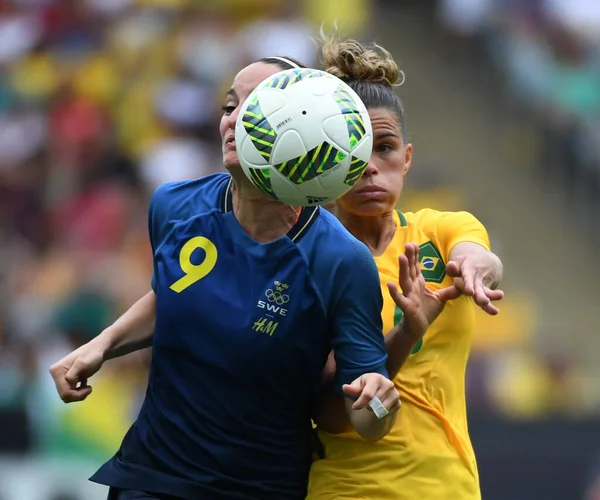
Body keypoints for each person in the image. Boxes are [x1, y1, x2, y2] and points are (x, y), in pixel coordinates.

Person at [49, 56, 406, 500]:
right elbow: (175, 294)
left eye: (257, 107)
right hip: (151, 476)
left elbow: (367, 416)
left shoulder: (340, 260)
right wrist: (99, 347)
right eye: (229, 106)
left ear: (310, 129)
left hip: (260, 488)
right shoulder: (173, 206)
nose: (235, 120)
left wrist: (379, 403)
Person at [308, 34, 504, 500]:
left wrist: (476, 269)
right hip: (345, 488)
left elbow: (477, 253)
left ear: (408, 157)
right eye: (354, 151)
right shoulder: (306, 263)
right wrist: (406, 334)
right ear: (326, 159)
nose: (371, 168)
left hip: (447, 487)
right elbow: (331, 414)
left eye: (386, 147)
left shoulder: (439, 230)